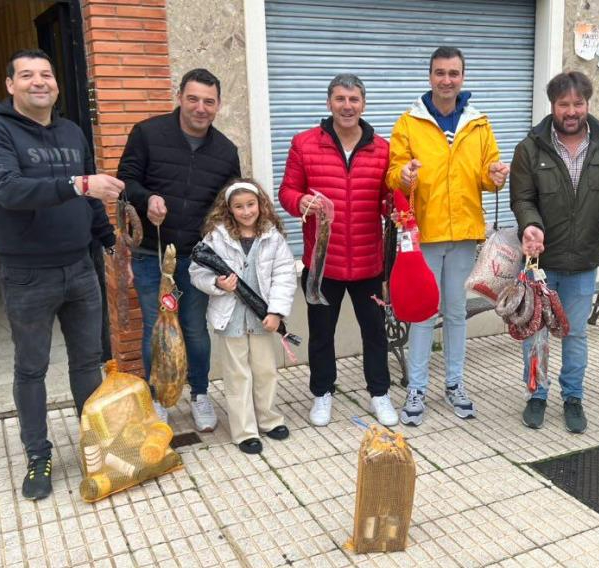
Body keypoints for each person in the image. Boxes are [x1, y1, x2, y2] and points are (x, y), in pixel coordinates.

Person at [0, 49, 123, 500]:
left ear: (55, 84)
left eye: (47, 75)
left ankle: (94, 441)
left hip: (80, 265)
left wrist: (108, 240)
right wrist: (79, 184)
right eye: (28, 75)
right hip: (26, 273)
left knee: (87, 361)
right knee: (32, 368)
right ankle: (39, 454)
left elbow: (90, 195)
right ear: (10, 85)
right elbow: (8, 190)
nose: (40, 82)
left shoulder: (72, 131)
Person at [510, 71, 599, 433]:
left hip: (583, 259)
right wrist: (530, 226)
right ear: (552, 105)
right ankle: (536, 394)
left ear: (587, 103)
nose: (571, 111)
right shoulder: (530, 147)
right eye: (564, 104)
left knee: (576, 334)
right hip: (539, 260)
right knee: (535, 331)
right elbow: (522, 198)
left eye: (578, 104)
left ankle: (573, 396)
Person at [386, 46, 509, 426]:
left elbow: (487, 173)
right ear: (429, 76)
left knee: (456, 312)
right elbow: (392, 172)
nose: (446, 80)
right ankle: (417, 387)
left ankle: (455, 383)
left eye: (453, 73)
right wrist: (403, 176)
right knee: (423, 313)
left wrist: (496, 176)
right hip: (424, 235)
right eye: (440, 73)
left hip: (464, 235)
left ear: (462, 77)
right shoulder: (409, 122)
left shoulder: (478, 123)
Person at [118, 68, 241, 431]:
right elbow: (125, 181)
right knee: (155, 329)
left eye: (208, 101)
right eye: (193, 99)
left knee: (194, 329)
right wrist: (147, 198)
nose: (200, 108)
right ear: (180, 97)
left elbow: (229, 202)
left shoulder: (226, 151)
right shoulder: (148, 134)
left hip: (196, 257)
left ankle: (200, 394)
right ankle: (159, 397)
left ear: (218, 105)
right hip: (150, 254)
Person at [277, 74, 398, 427]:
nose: (347, 106)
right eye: (340, 98)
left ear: (363, 104)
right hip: (322, 264)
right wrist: (303, 201)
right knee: (321, 334)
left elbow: (385, 201)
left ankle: (379, 393)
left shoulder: (383, 149)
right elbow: (287, 191)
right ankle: (322, 394)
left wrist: (397, 204)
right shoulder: (304, 144)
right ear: (329, 102)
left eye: (354, 99)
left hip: (368, 263)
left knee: (375, 333)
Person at [190, 179, 296, 454]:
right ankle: (244, 430)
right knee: (237, 375)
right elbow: (197, 272)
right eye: (239, 206)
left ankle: (269, 420)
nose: (246, 211)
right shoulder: (216, 237)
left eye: (251, 204)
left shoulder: (272, 237)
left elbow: (284, 276)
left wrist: (276, 312)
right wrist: (217, 284)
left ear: (261, 204)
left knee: (265, 371)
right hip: (231, 317)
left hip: (263, 318)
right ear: (229, 209)